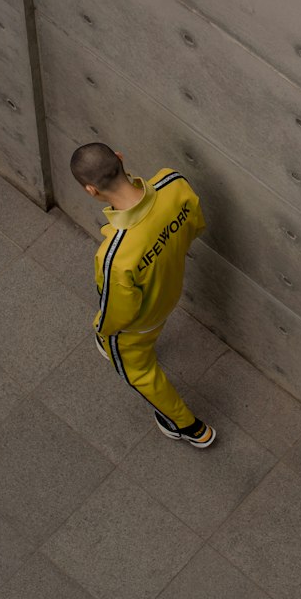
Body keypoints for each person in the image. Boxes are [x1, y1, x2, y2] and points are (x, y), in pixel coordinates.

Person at [70, 141, 216, 447]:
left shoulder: (114, 256)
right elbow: (195, 225)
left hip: (141, 322)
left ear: (91, 191)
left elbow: (118, 312)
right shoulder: (173, 182)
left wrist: (105, 331)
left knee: (139, 371)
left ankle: (188, 426)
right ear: (121, 158)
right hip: (171, 289)